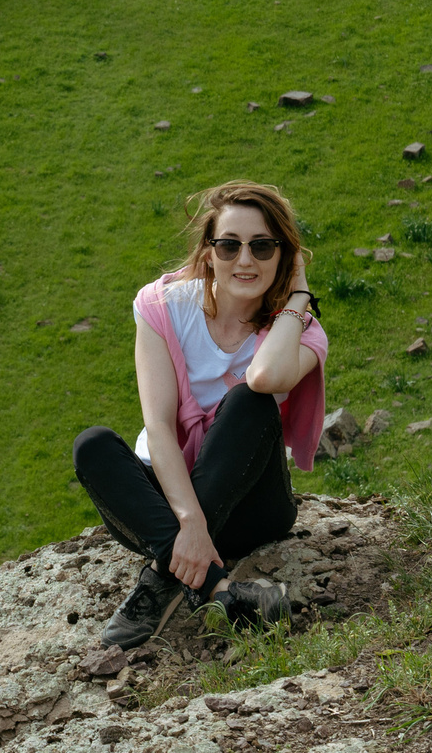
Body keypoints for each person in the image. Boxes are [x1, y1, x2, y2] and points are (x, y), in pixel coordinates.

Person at [73, 181, 329, 649]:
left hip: (253, 508)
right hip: (167, 507)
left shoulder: (299, 333)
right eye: (229, 245)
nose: (245, 260)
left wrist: (297, 300)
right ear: (209, 252)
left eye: (263, 246)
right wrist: (189, 522)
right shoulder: (162, 307)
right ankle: (220, 591)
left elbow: (266, 378)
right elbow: (159, 426)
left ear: (285, 256)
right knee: (92, 445)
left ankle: (159, 581)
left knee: (248, 400)